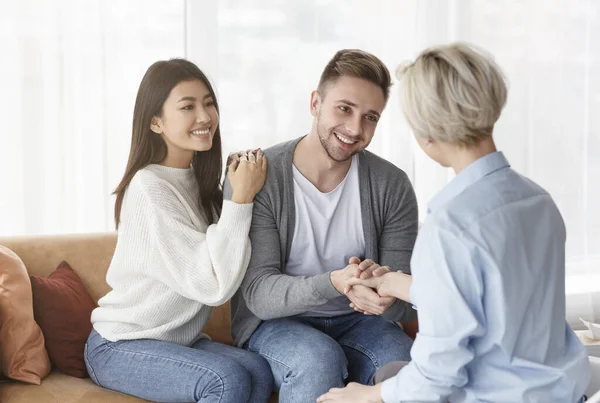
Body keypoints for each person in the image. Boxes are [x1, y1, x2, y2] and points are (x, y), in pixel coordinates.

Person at [317, 42, 590, 403]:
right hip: (563, 391)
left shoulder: (450, 226)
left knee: (369, 385)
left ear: (427, 133)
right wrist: (390, 280)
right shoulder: (537, 201)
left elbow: (437, 377)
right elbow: (492, 300)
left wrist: (363, 396)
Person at [225, 49, 419, 402]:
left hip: (361, 322)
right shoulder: (262, 176)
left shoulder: (392, 185)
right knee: (316, 360)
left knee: (406, 367)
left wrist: (381, 291)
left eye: (370, 117)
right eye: (344, 108)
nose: (355, 129)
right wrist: (335, 283)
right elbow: (260, 295)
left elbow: (405, 305)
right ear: (315, 103)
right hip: (277, 324)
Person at [84, 58, 273, 403]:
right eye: (187, 106)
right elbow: (213, 285)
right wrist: (241, 199)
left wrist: (237, 193)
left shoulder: (202, 185)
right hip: (120, 345)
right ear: (155, 122)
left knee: (258, 371)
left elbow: (228, 269)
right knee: (225, 380)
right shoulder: (148, 187)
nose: (204, 117)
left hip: (175, 341)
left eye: (209, 103)